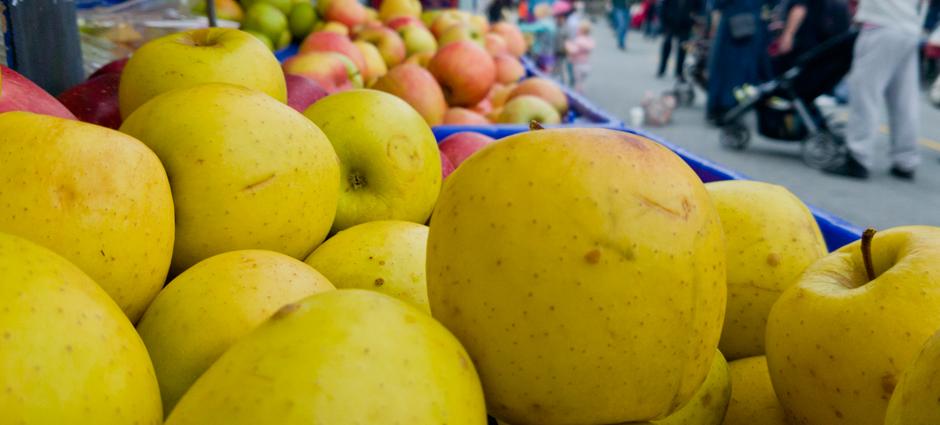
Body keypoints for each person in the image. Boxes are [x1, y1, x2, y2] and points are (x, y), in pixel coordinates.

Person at [824, 0, 924, 179]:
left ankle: (858, 157)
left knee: (865, 94)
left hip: (880, 25)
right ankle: (906, 160)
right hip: (909, 28)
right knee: (904, 100)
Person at [705, 0, 773, 123]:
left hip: (730, 28)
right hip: (753, 27)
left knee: (723, 70)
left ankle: (720, 107)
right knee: (745, 70)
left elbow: (716, 6)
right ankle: (736, 107)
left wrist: (713, 28)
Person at [658, 0, 704, 80]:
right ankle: (662, 68)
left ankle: (679, 71)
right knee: (667, 44)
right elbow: (664, 6)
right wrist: (664, 21)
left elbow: (699, 7)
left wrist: (693, 20)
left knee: (683, 48)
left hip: (685, 24)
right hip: (670, 22)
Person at [519, 4, 559, 72]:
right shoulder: (551, 22)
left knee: (541, 74)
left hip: (543, 54)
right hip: (548, 53)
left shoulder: (545, 23)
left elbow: (530, 28)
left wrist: (515, 26)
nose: (535, 16)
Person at [566, 21, 596, 91]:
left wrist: (568, 45)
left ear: (580, 30)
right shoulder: (590, 40)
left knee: (577, 82)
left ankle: (577, 96)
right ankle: (580, 90)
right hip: (586, 64)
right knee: (581, 82)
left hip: (577, 64)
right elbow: (591, 47)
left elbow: (573, 51)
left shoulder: (578, 40)